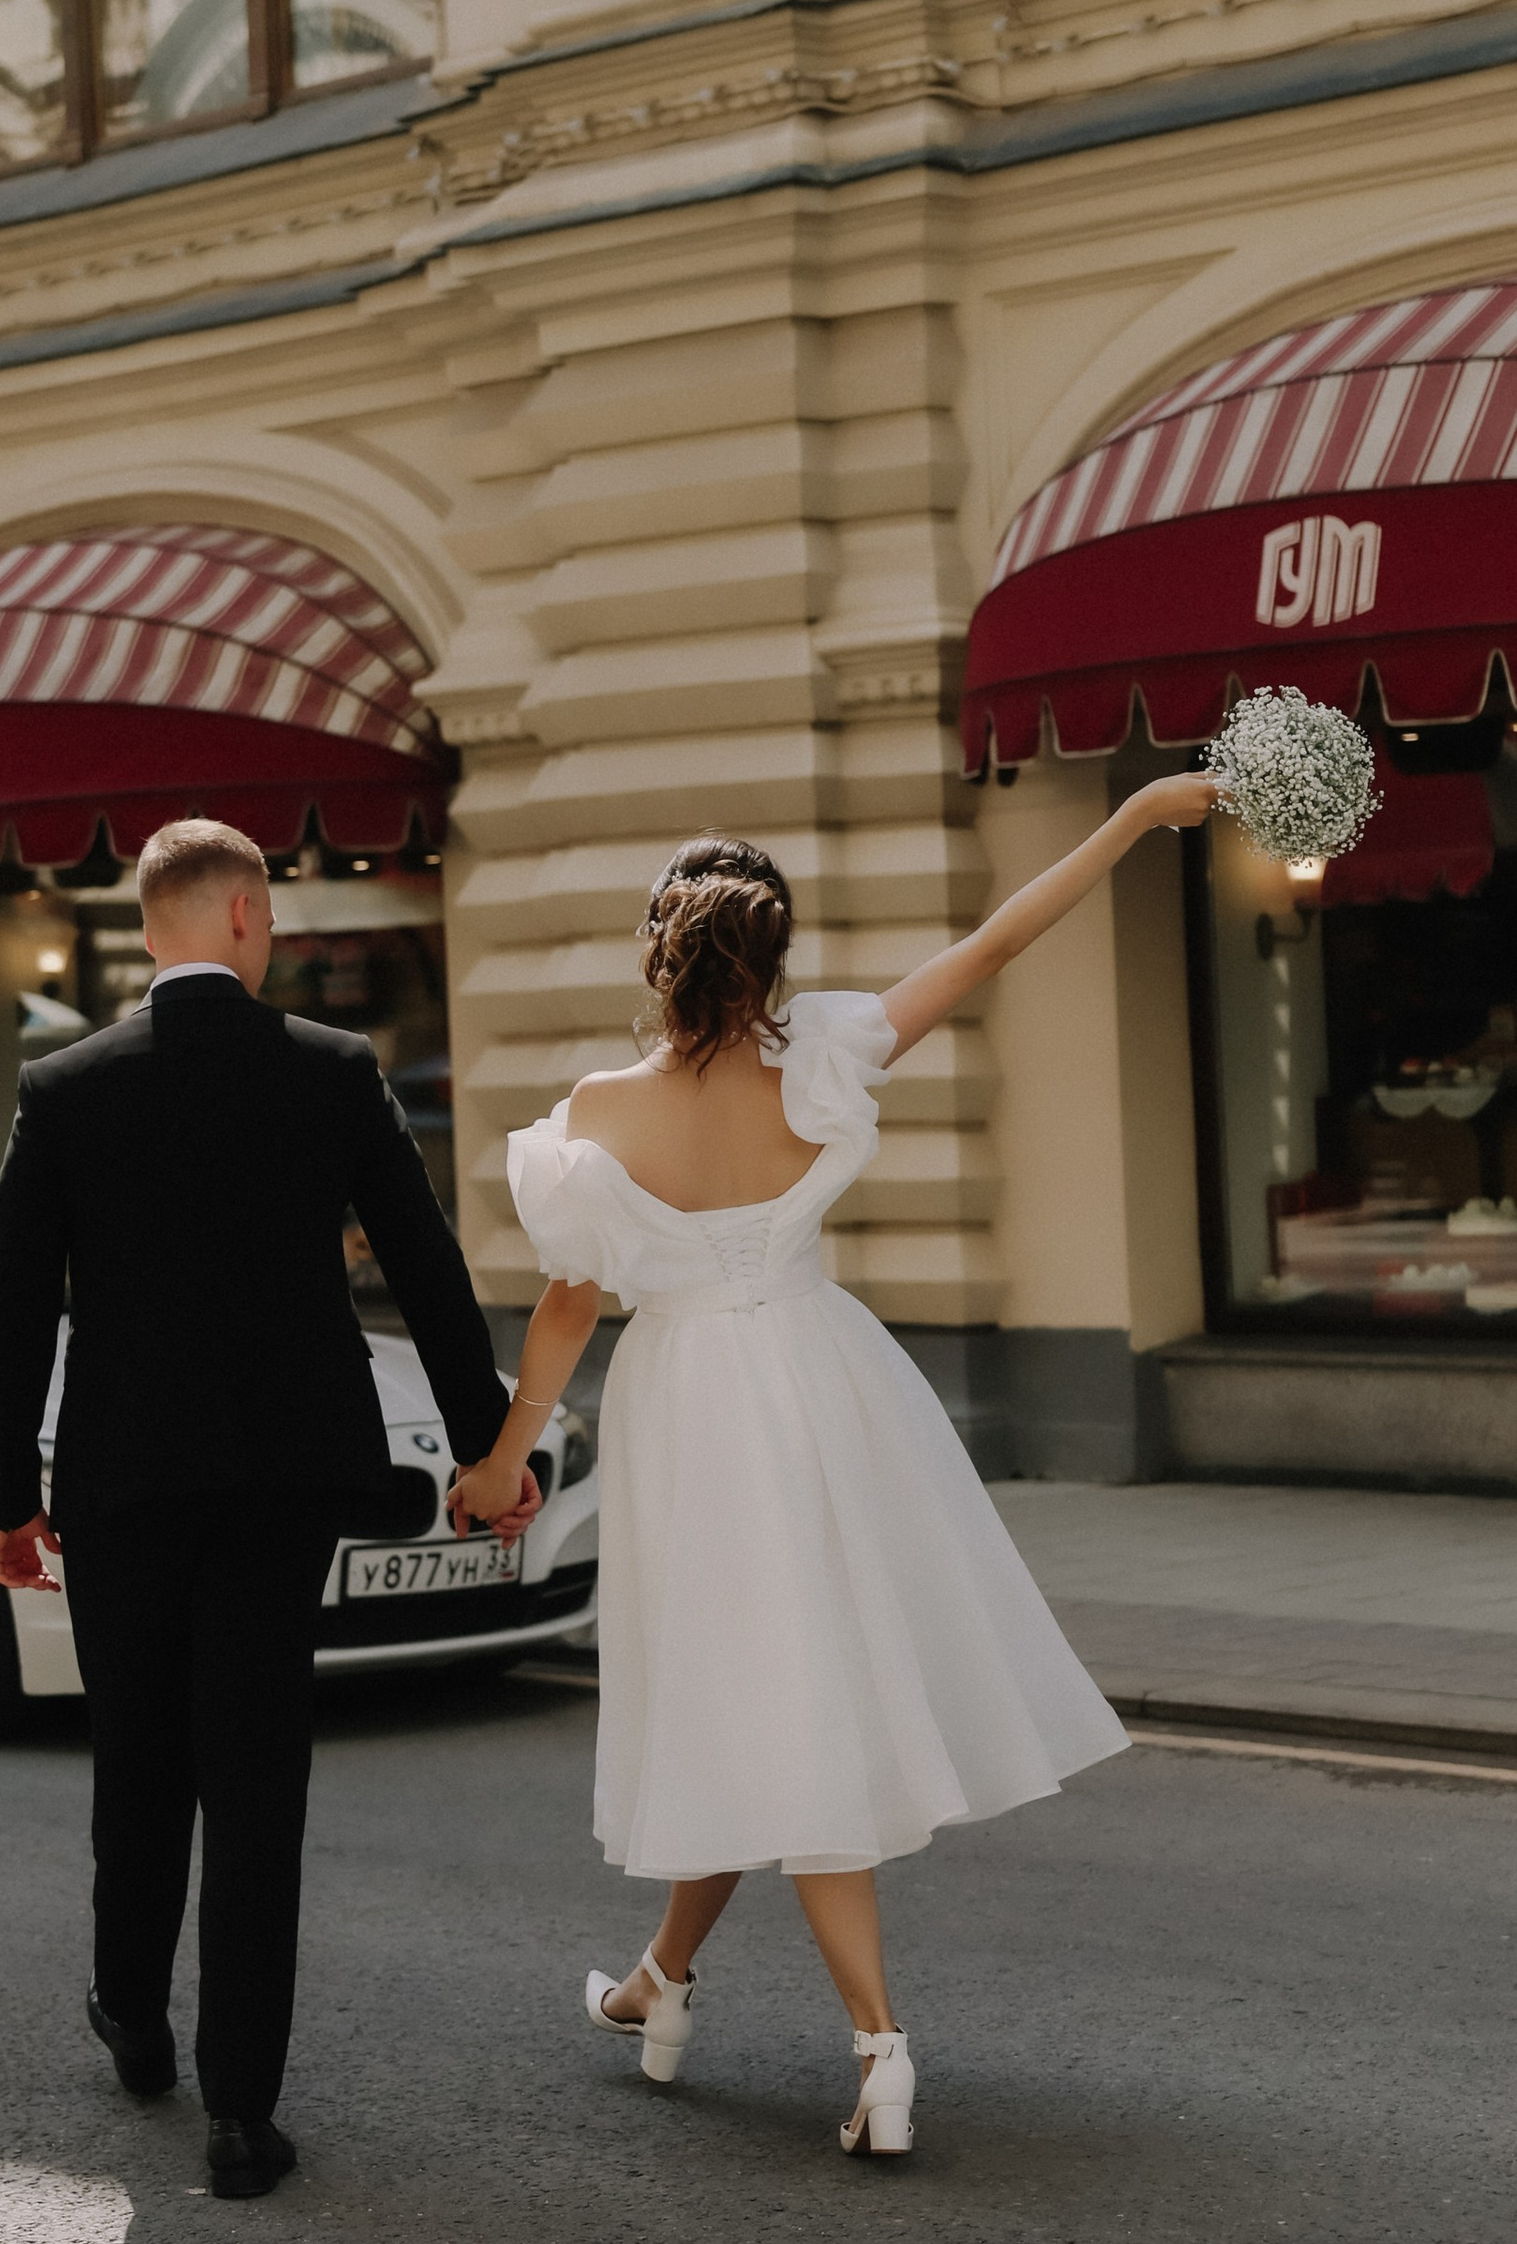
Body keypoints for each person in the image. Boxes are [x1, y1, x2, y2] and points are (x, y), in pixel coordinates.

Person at [451, 779, 1219, 2158]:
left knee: (765, 1708)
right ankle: (660, 1987)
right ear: (776, 960)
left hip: (688, 1405)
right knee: (755, 1711)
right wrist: (1134, 817)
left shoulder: (598, 1111)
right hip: (823, 1382)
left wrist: (510, 1455)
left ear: (657, 956)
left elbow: (568, 1308)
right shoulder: (822, 1060)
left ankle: (880, 2047)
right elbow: (989, 947)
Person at [0, 816, 537, 2200]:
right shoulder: (334, 1074)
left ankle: (129, 2007)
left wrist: (5, 1498)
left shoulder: (67, 1087)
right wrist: (488, 1449)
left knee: (141, 1757)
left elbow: (14, 1313)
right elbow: (427, 1267)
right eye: (269, 911)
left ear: (154, 925)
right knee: (257, 1781)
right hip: (281, 1483)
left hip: (119, 1484)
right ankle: (242, 2113)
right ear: (236, 919)